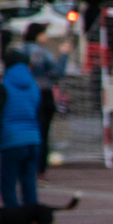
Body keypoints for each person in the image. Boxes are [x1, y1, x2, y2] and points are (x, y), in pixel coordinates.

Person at [23, 23, 70, 173]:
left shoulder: (19, 51)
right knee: (43, 133)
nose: (47, 36)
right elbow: (57, 73)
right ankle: (40, 169)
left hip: (24, 96)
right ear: (38, 35)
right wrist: (64, 54)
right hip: (43, 94)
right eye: (44, 33)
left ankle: (26, 167)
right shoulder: (43, 53)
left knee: (25, 132)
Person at [2, 47, 40, 211]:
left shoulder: (4, 85)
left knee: (8, 185)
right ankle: (30, 222)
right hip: (34, 138)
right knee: (29, 183)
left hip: (12, 139)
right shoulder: (34, 85)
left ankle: (13, 222)